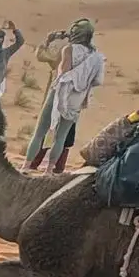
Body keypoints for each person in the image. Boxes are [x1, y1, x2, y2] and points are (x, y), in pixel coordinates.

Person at [25, 17, 105, 172]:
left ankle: (27, 166)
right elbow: (97, 80)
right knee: (62, 137)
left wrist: (48, 40)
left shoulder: (67, 50)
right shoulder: (95, 56)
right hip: (77, 98)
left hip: (58, 94)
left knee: (41, 132)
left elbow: (46, 59)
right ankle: (51, 169)